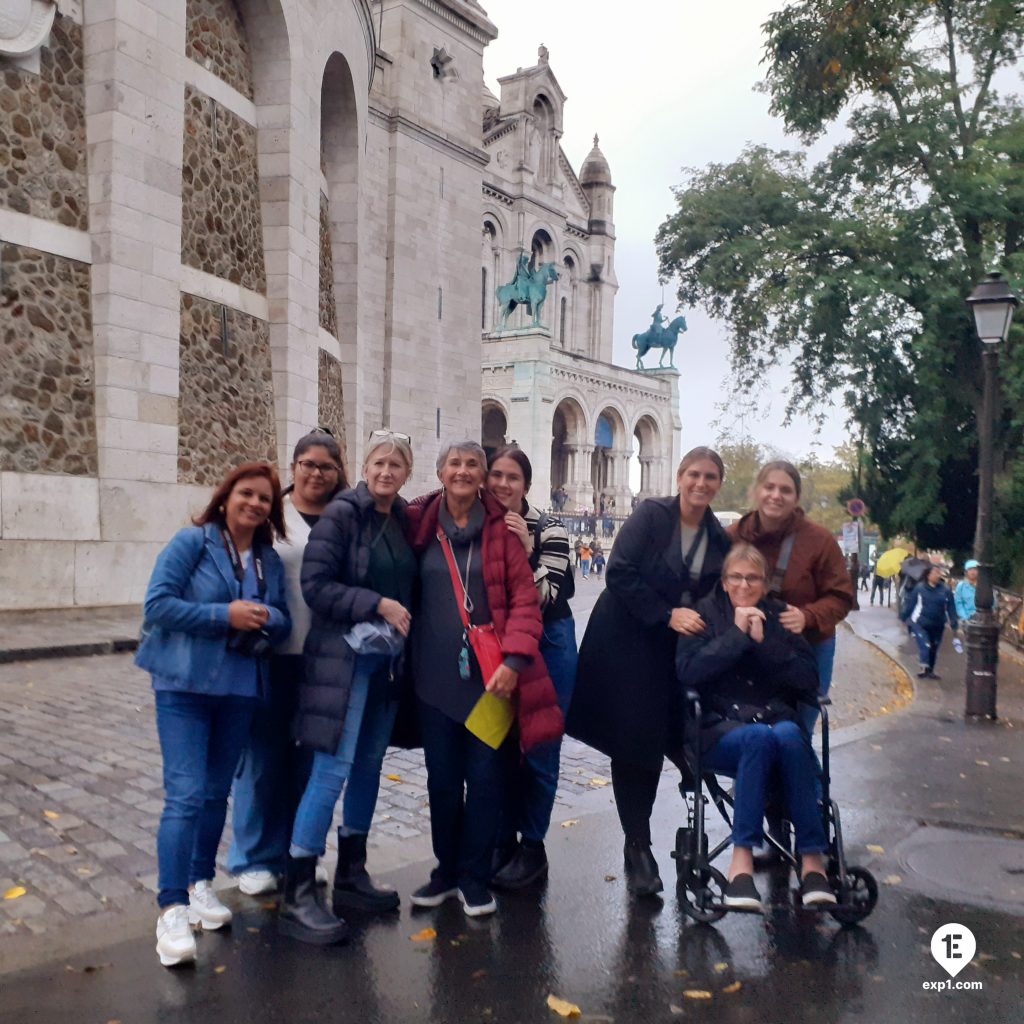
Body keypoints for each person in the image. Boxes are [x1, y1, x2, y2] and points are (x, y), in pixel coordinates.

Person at [136, 463, 291, 968]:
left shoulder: (268, 560)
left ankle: (201, 884)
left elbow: (284, 617)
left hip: (240, 687)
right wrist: (223, 615)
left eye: (264, 499)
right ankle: (171, 907)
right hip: (184, 685)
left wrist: (267, 618)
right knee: (183, 794)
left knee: (216, 792)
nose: (254, 504)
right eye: (246, 494)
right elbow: (158, 606)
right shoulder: (193, 542)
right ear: (226, 497)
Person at [405, 440, 563, 917]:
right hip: (434, 682)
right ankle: (445, 870)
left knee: (486, 779)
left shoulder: (501, 533)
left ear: (482, 474)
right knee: (443, 781)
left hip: (491, 682)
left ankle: (475, 877)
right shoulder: (419, 524)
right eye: (454, 462)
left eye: (473, 463)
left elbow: (525, 602)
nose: (463, 470)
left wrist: (515, 663)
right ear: (440, 472)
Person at [568, 447, 731, 897]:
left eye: (710, 477)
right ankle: (637, 846)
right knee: (635, 743)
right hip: (627, 641)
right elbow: (619, 572)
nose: (701, 483)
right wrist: (667, 614)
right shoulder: (651, 516)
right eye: (694, 474)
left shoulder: (719, 539)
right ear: (680, 477)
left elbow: (722, 593)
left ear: (718, 483)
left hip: (677, 651)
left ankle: (684, 793)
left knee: (680, 733)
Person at [279, 430, 417, 944]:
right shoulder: (343, 514)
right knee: (331, 769)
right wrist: (375, 604)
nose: (386, 472)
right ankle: (298, 886)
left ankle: (352, 873)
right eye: (378, 462)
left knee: (369, 766)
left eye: (396, 465)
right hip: (344, 660)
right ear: (365, 466)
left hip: (387, 663)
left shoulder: (402, 517)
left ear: (406, 473)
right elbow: (315, 587)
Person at [675, 544, 836, 912]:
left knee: (790, 736)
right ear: (725, 582)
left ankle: (813, 863)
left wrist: (765, 646)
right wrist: (736, 636)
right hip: (718, 730)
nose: (744, 585)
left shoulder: (782, 618)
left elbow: (809, 680)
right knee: (761, 738)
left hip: (776, 725)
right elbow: (688, 673)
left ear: (764, 584)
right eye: (737, 577)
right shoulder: (704, 615)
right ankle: (741, 863)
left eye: (753, 578)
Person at [229, 430, 347, 897]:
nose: (316, 473)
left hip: (326, 662)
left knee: (308, 763)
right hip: (272, 654)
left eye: (326, 467)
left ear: (338, 473)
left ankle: (299, 851)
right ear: (293, 466)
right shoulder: (269, 515)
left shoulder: (345, 518)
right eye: (308, 464)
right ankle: (253, 857)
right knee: (261, 758)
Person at [486, 446, 577, 889]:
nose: (503, 484)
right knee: (497, 743)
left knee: (540, 745)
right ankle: (501, 838)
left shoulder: (550, 527)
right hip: (498, 647)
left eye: (513, 477)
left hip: (551, 643)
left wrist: (524, 550)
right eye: (496, 475)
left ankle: (533, 846)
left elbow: (547, 598)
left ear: (527, 484)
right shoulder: (480, 524)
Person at [728, 461, 854, 735]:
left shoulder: (819, 540)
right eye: (769, 487)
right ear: (756, 491)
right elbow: (715, 587)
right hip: (752, 651)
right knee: (751, 731)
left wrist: (807, 616)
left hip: (807, 649)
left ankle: (801, 776)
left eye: (785, 490)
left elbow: (842, 596)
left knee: (796, 734)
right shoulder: (733, 536)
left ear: (796, 498)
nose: (776, 495)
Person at [900, 565, 959, 679]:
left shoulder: (945, 590)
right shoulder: (920, 588)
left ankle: (930, 670)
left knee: (934, 647)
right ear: (928, 575)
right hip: (920, 622)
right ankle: (923, 667)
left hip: (938, 624)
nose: (938, 575)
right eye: (935, 573)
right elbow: (910, 605)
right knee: (925, 645)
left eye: (939, 573)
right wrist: (904, 617)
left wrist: (953, 621)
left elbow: (950, 607)